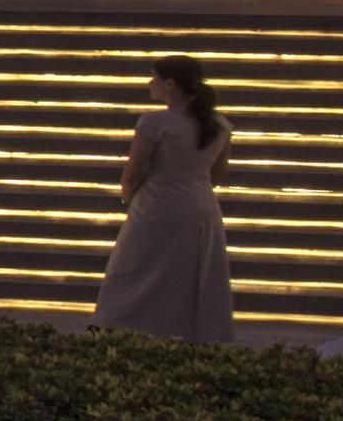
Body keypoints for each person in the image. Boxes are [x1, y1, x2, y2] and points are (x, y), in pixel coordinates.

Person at [94, 61, 237, 342]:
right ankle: (189, 333)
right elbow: (219, 174)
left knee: (134, 268)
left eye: (154, 78)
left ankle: (123, 329)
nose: (150, 83)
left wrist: (128, 198)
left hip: (158, 203)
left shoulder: (154, 123)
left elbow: (132, 173)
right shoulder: (220, 124)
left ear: (170, 85)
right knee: (189, 273)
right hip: (202, 204)